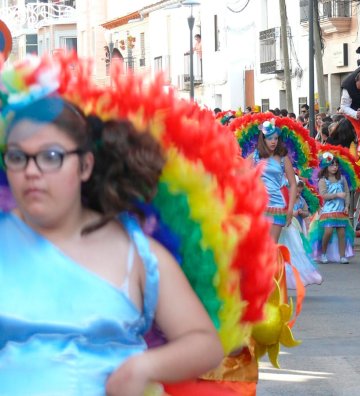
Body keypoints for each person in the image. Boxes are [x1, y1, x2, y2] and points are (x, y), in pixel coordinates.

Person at [0, 95, 224, 394]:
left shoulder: (136, 252)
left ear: (85, 166)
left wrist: (144, 367)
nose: (30, 171)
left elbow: (205, 344)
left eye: (51, 156)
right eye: (17, 156)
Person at [249, 120, 297, 243]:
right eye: (270, 138)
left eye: (276, 138)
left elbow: (292, 184)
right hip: (258, 205)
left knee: (271, 245)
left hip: (277, 205)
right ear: (263, 139)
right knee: (259, 244)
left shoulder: (282, 158)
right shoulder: (255, 156)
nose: (273, 142)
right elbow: (241, 177)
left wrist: (290, 208)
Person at [310, 154, 353, 264]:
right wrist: (337, 195)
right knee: (328, 232)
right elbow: (323, 195)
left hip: (340, 210)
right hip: (328, 211)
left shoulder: (342, 179)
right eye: (331, 165)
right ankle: (323, 253)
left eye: (336, 165)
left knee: (342, 233)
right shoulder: (323, 180)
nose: (334, 167)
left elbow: (347, 192)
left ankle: (342, 256)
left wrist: (347, 206)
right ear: (326, 166)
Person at [279, 180, 323, 288]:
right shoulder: (283, 196)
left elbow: (306, 211)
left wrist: (299, 213)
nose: (297, 194)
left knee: (296, 247)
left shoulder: (301, 200)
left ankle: (300, 274)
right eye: (296, 192)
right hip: (282, 223)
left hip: (294, 226)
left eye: (299, 192)